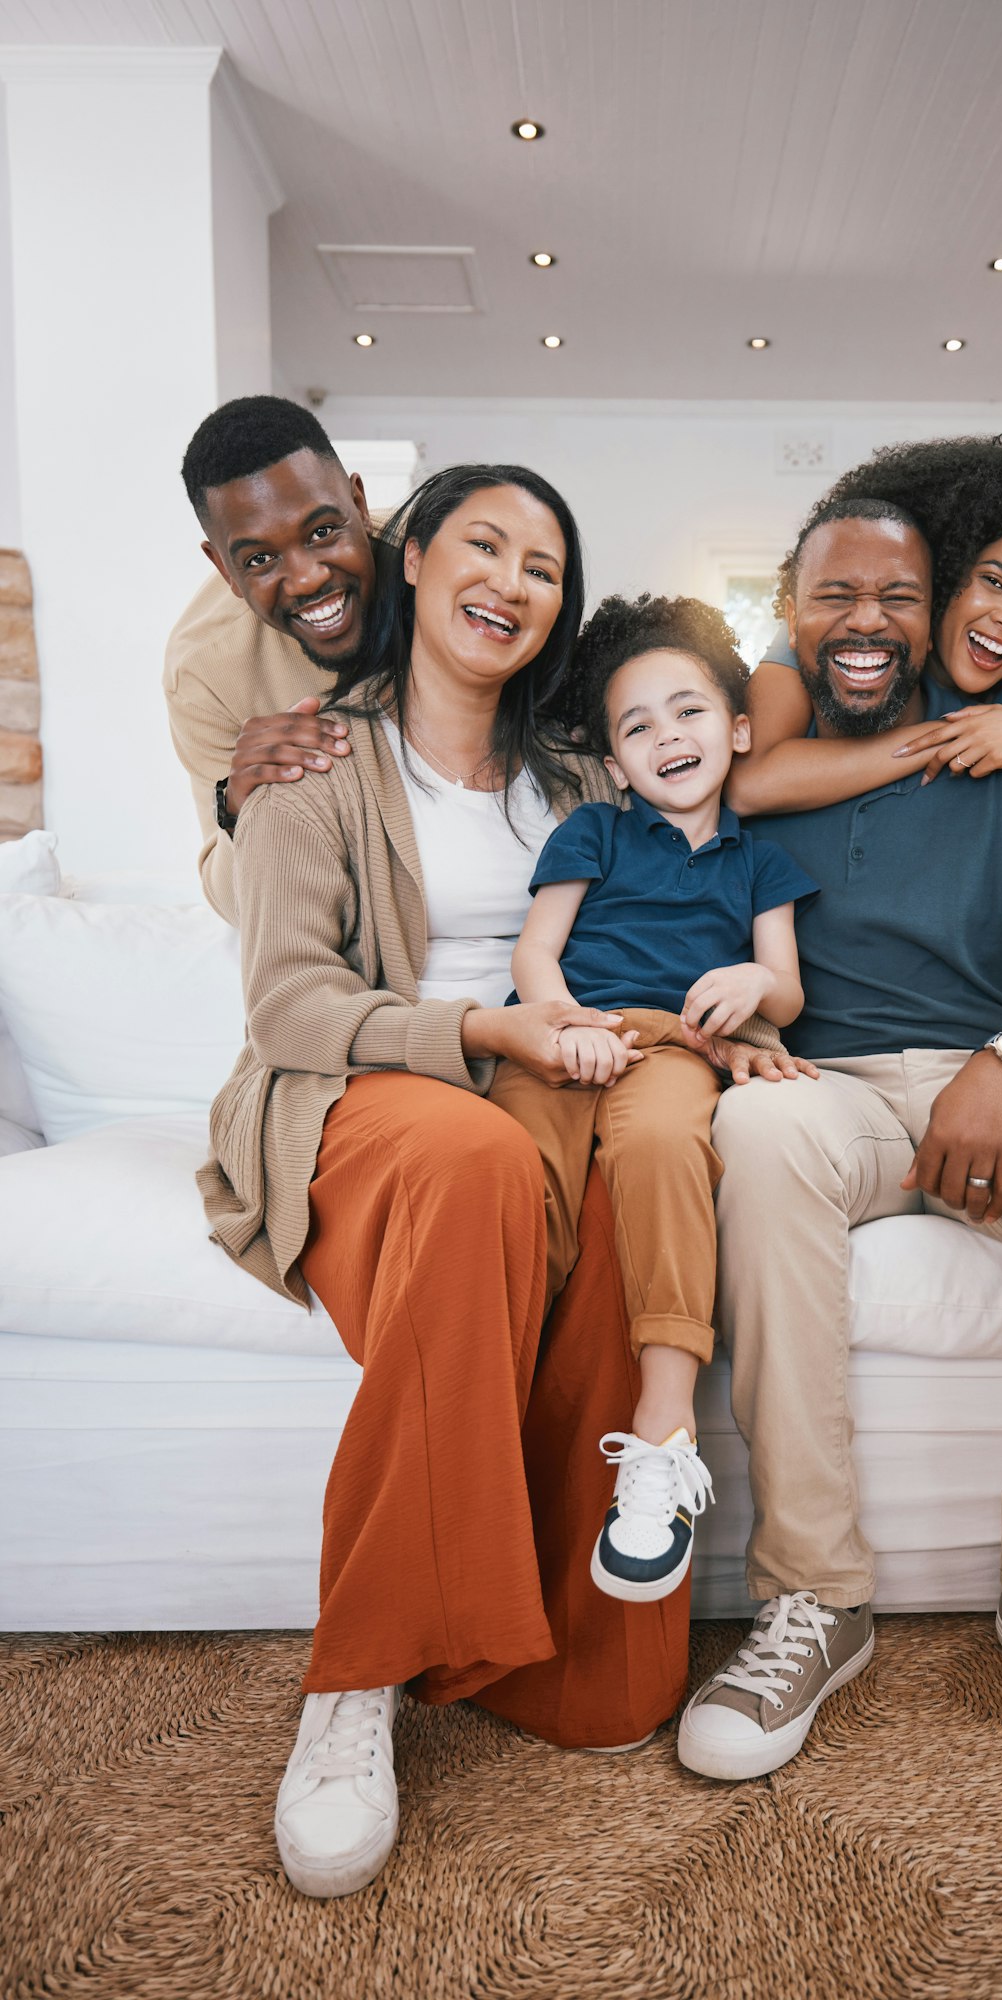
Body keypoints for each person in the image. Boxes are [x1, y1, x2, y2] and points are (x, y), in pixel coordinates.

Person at [187, 450, 800, 1900]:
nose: (513, 583)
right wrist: (478, 1026)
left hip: (571, 1081)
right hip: (370, 1089)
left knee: (630, 1192)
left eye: (543, 566)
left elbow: (731, 799)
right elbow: (288, 1006)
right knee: (472, 1161)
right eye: (484, 547)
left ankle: (572, 1641)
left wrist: (723, 1033)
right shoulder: (312, 759)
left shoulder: (591, 774)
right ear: (410, 558)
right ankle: (362, 1675)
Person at [676, 497, 1002, 1799]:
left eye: (895, 597)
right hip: (826, 1085)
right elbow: (694, 890)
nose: (871, 621)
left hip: (991, 1080)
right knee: (760, 1128)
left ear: (928, 600)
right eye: (839, 597)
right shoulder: (770, 741)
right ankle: (812, 1598)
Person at [494, 595, 817, 1606]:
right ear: (615, 760)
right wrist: (563, 1024)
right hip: (564, 1033)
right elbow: (535, 949)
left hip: (679, 1043)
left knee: (667, 1147)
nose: (665, 737)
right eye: (636, 726)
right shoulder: (591, 830)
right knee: (512, 1189)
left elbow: (788, 985)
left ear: (736, 730)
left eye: (685, 712)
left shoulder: (761, 860)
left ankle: (664, 1435)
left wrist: (756, 992)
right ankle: (489, 1431)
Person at [728, 435, 1002, 926]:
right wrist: (958, 734)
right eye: (993, 582)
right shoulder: (836, 633)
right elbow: (751, 783)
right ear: (943, 570)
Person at [165, 396, 377, 923]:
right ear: (224, 569)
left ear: (360, 503)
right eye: (259, 559)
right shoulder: (204, 672)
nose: (307, 579)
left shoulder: (441, 561)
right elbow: (235, 906)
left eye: (323, 531)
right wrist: (238, 807)